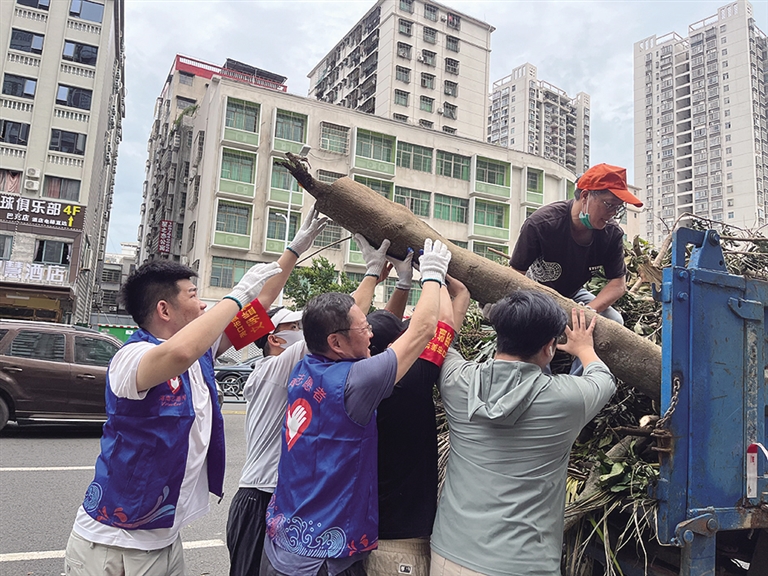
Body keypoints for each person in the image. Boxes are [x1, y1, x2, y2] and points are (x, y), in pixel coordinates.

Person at [64, 209, 328, 576]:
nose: (203, 303)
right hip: (112, 544)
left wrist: (294, 250)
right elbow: (178, 353)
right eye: (193, 295)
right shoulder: (132, 357)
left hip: (165, 538)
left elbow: (260, 305)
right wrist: (235, 296)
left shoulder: (203, 352)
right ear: (164, 309)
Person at [261, 238, 453, 576]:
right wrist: (433, 275)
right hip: (322, 559)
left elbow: (342, 319)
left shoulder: (304, 366)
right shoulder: (356, 381)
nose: (370, 335)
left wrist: (383, 276)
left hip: (283, 541)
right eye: (364, 329)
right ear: (336, 342)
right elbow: (423, 330)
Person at [225, 231, 393, 576]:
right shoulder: (280, 367)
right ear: (275, 338)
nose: (301, 331)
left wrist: (372, 275)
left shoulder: (290, 370)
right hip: (261, 498)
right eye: (294, 326)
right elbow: (344, 321)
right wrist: (371, 273)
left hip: (274, 500)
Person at [430, 291, 617, 576]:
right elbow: (603, 378)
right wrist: (583, 348)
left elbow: (443, 337)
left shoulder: (457, 381)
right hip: (523, 564)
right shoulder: (567, 399)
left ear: (499, 336)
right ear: (550, 347)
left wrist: (456, 290)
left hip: (450, 555)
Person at [366, 277, 470, 576]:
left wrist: (404, 282)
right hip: (399, 545)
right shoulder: (405, 385)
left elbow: (444, 332)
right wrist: (434, 275)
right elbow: (444, 324)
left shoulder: (356, 379)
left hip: (371, 530)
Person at [509, 163, 643, 324]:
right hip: (535, 293)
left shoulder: (612, 234)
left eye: (618, 208)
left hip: (573, 295)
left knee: (614, 320)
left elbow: (618, 284)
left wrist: (586, 312)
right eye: (609, 205)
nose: (613, 213)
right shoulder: (541, 224)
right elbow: (515, 275)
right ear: (585, 196)